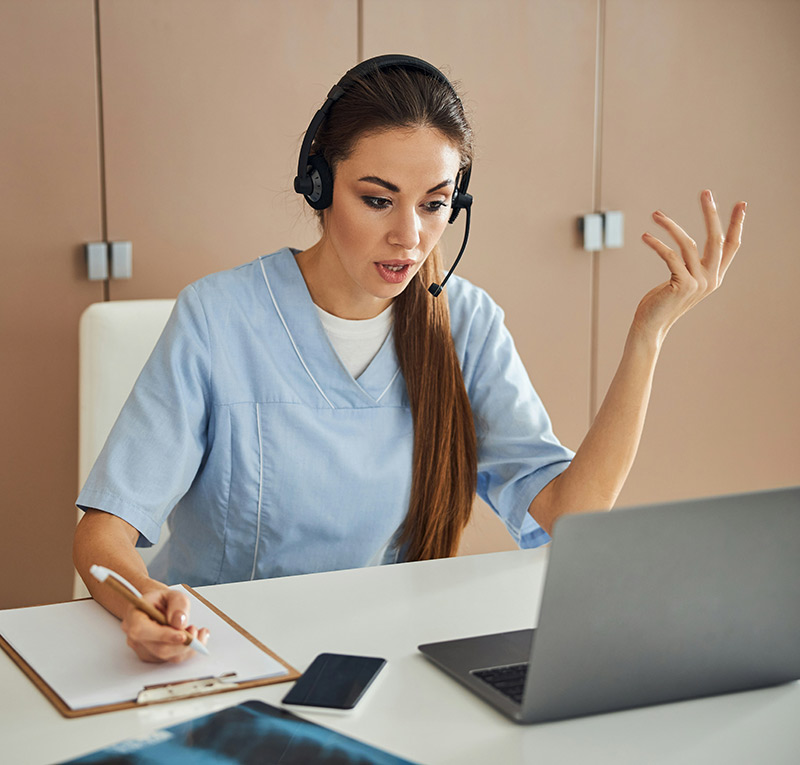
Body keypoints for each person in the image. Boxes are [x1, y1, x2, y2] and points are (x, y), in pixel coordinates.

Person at [73, 55, 746, 663]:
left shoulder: (468, 324)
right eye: (377, 199)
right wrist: (143, 602)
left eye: (435, 205)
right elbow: (101, 538)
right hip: (223, 661)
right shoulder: (217, 319)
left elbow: (570, 511)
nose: (410, 236)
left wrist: (647, 335)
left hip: (381, 663)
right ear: (319, 185)